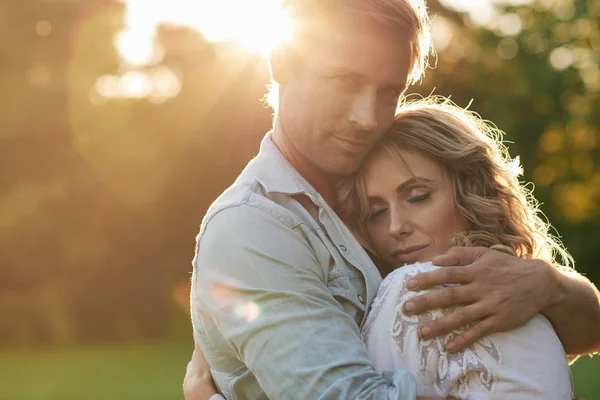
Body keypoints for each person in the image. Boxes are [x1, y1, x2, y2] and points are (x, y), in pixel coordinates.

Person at [186, 0, 600, 399]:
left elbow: (585, 334)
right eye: (344, 82)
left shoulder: (388, 170)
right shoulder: (253, 227)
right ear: (283, 62)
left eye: (389, 92)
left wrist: (549, 286)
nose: (367, 118)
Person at [335, 99, 574, 398]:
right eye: (376, 212)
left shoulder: (414, 288)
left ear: (470, 189)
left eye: (418, 196)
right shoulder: (528, 292)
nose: (396, 226)